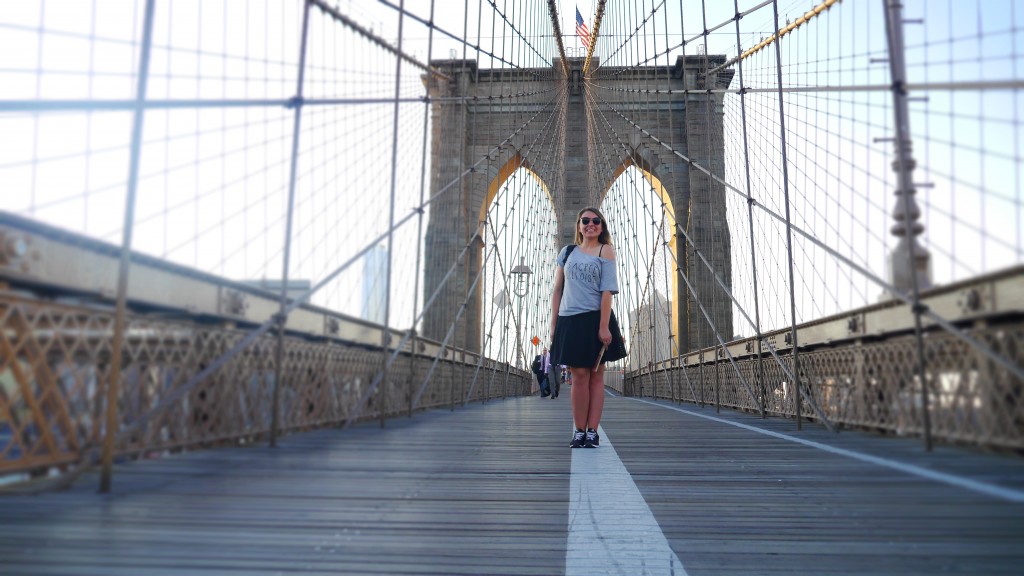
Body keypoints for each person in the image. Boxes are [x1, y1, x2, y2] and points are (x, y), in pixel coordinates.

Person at [550, 206, 627, 448]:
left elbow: (607, 291)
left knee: (596, 375)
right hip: (569, 318)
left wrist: (604, 327)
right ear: (579, 225)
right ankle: (579, 430)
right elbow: (557, 289)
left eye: (596, 220)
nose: (590, 224)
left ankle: (592, 431)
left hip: (595, 317)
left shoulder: (606, 251)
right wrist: (554, 324)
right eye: (585, 220)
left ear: (602, 226)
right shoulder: (567, 252)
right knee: (578, 376)